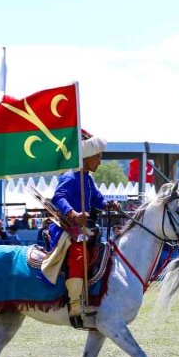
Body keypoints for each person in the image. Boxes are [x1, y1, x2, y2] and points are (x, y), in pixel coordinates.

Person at [46, 134, 119, 328]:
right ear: (86, 157)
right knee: (78, 255)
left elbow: (97, 200)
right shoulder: (70, 177)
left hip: (83, 229)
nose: (100, 161)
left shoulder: (88, 179)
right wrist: (74, 214)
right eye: (98, 156)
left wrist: (109, 204)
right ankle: (75, 305)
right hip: (67, 228)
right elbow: (58, 197)